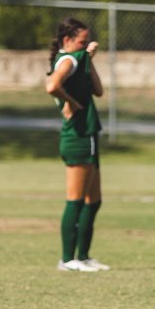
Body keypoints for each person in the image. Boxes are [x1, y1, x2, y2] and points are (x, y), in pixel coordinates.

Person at [45, 17, 109, 272]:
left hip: (88, 134)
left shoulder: (79, 59)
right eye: (82, 42)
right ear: (67, 40)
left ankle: (83, 256)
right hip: (77, 136)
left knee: (94, 200)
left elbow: (99, 91)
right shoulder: (69, 60)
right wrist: (71, 102)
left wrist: (88, 58)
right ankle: (67, 259)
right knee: (76, 200)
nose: (87, 45)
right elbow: (52, 85)